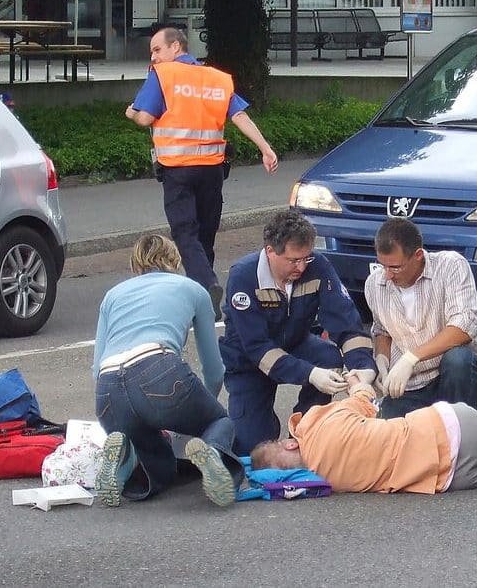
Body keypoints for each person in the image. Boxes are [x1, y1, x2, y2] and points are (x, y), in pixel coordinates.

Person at [125, 27, 279, 319]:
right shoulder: (217, 78)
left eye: (157, 50)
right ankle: (206, 303)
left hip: (178, 169)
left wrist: (131, 111)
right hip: (212, 170)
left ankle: (207, 286)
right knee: (205, 235)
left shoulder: (163, 75)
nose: (153, 57)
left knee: (185, 233)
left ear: (176, 47)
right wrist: (265, 148)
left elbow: (145, 117)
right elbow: (239, 116)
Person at [92, 233, 242, 508]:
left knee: (157, 457)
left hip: (108, 387)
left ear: (135, 264)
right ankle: (212, 453)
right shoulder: (193, 289)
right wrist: (201, 410)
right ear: (175, 260)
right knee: (219, 422)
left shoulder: (112, 296)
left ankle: (126, 460)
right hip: (157, 367)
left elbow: (96, 367)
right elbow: (213, 369)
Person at [219, 209, 377, 454]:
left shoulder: (318, 266)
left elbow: (346, 321)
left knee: (328, 358)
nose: (302, 267)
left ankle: (305, 430)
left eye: (306, 258)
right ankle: (228, 442)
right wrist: (310, 373)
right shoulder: (244, 277)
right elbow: (257, 347)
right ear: (270, 251)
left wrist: (363, 367)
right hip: (249, 361)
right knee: (253, 448)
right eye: (294, 260)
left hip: (295, 343)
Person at [250, 374, 477, 493]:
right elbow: (365, 400)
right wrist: (356, 384)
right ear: (289, 445)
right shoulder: (320, 424)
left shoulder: (327, 482)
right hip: (452, 424)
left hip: (451, 476)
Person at [364, 217, 477, 419]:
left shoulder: (451, 266)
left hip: (454, 375)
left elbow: (464, 326)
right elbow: (382, 330)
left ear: (418, 255)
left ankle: (461, 427)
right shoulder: (374, 284)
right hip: (412, 384)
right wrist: (382, 363)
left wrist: (411, 358)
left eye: (395, 267)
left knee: (458, 361)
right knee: (389, 430)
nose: (388, 275)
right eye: (383, 266)